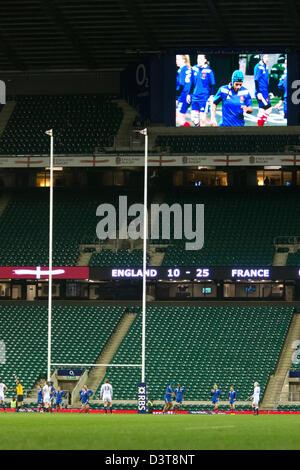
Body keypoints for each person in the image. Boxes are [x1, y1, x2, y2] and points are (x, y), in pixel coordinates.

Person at [187, 54, 216, 127]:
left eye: (200, 59)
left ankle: (203, 134)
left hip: (204, 98)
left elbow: (212, 84)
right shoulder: (194, 69)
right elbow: (191, 83)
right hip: (195, 97)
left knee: (203, 119)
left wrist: (212, 96)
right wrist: (188, 94)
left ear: (205, 60)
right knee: (194, 119)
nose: (199, 61)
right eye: (198, 59)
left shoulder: (209, 71)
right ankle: (198, 127)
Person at [254, 54, 274, 126]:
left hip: (265, 92)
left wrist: (269, 91)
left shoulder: (266, 66)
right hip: (261, 92)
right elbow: (256, 80)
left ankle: (259, 127)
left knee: (262, 109)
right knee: (269, 109)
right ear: (261, 57)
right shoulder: (258, 67)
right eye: (265, 57)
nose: (267, 59)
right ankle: (260, 125)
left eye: (268, 57)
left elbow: (266, 81)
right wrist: (258, 92)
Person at [176, 55, 192, 127]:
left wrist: (176, 96)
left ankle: (188, 133)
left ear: (184, 60)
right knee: (179, 116)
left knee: (180, 118)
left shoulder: (182, 70)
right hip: (186, 95)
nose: (176, 61)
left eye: (178, 59)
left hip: (183, 96)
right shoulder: (188, 69)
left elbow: (181, 84)